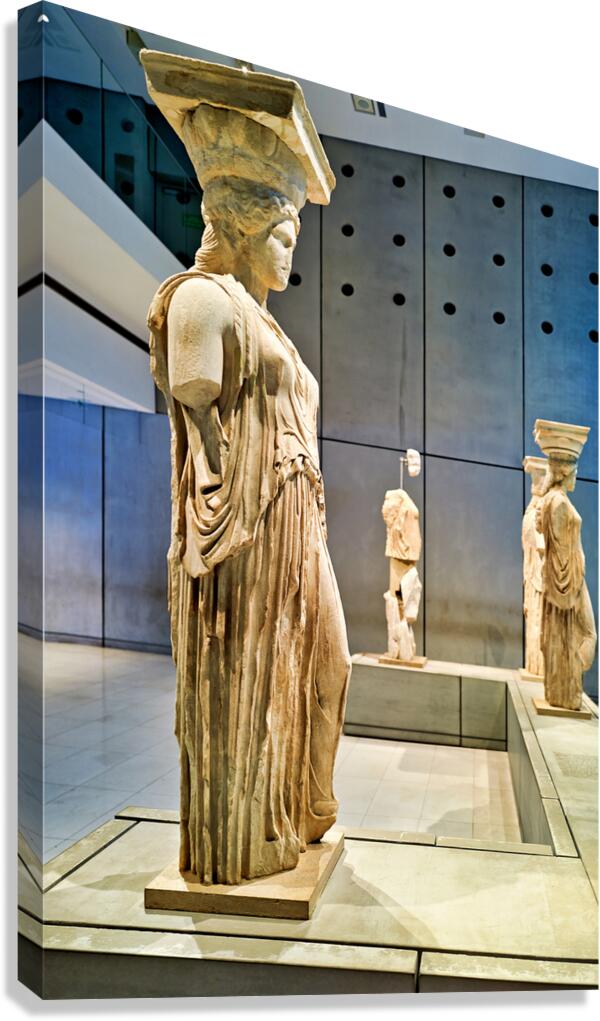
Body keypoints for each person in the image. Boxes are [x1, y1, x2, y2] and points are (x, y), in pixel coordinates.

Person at [146, 102, 351, 885]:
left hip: (300, 519)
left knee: (329, 663)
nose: (290, 251)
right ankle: (250, 832)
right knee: (254, 677)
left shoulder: (269, 325)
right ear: (237, 225)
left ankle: (305, 802)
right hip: (249, 522)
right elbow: (196, 401)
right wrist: (218, 511)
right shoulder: (203, 298)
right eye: (281, 235)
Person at [536, 454, 596, 710]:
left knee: (587, 634)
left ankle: (568, 683)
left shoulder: (555, 499)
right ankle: (568, 684)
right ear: (563, 473)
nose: (576, 478)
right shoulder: (558, 502)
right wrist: (574, 581)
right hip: (571, 582)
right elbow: (561, 556)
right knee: (589, 633)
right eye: (574, 473)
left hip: (573, 578)